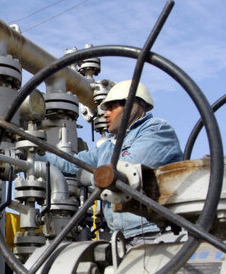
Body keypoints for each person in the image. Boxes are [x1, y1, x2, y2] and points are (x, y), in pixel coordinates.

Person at [43, 79, 183, 242]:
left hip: (155, 233)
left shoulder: (157, 130)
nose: (105, 114)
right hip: (120, 237)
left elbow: (125, 174)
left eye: (111, 108)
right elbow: (69, 163)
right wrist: (31, 151)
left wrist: (91, 177)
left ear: (132, 105)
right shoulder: (108, 146)